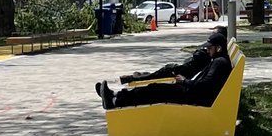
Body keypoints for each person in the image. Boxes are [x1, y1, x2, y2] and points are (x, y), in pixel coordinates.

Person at [98, 32, 231, 109]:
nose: (207, 50)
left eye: (210, 48)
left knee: (154, 90)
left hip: (192, 96)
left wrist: (184, 81)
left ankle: (115, 101)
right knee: (153, 88)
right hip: (192, 93)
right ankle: (115, 95)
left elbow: (205, 85)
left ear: (219, 48)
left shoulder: (220, 62)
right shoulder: (220, 60)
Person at [117, 27, 228, 84]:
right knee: (159, 73)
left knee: (161, 74)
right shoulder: (215, 57)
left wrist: (185, 81)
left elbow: (197, 55)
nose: (210, 36)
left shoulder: (214, 59)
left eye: (213, 34)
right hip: (184, 72)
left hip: (183, 73)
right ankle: (138, 76)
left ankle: (133, 78)